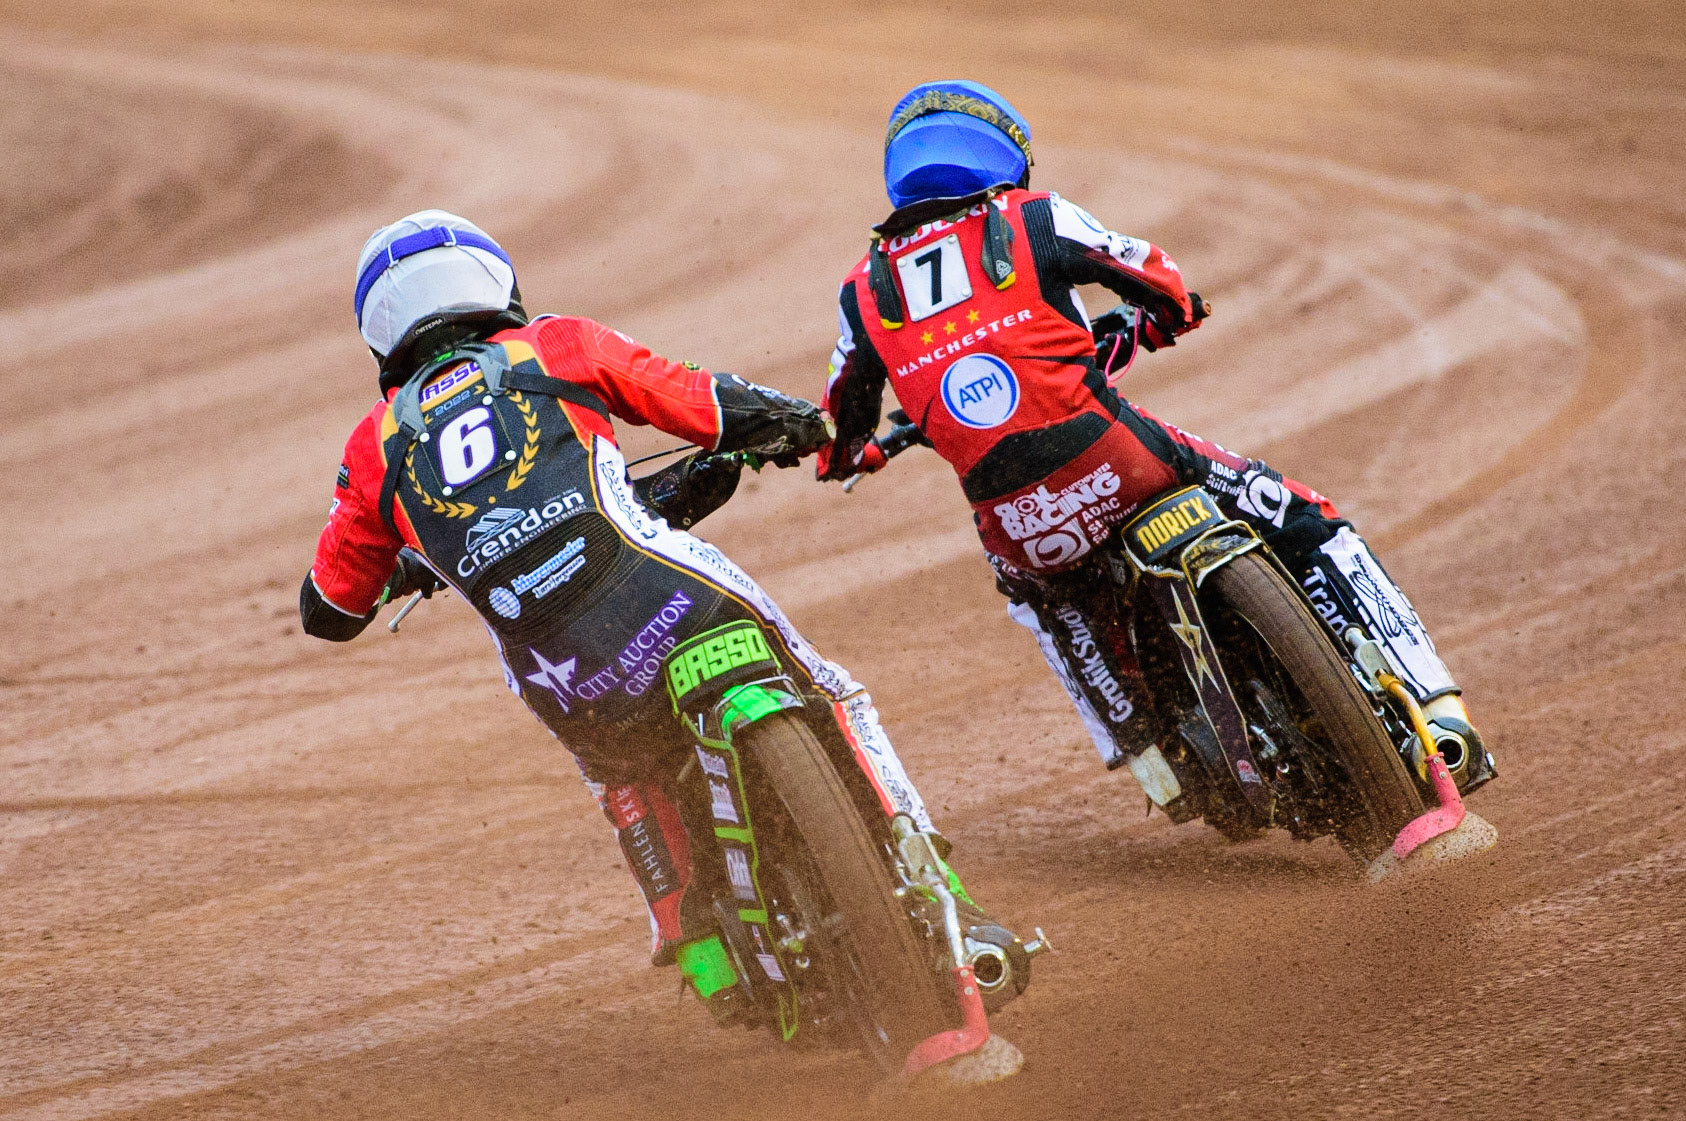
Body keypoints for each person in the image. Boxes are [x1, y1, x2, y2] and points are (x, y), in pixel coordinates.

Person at [301, 209, 1025, 1012]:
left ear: (380, 334)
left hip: (567, 678)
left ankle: (703, 951)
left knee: (623, 775)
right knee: (833, 692)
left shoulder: (373, 448)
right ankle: (945, 897)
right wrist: (793, 423)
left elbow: (328, 610)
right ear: (491, 280)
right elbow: (705, 405)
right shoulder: (552, 344)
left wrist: (411, 557)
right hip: (670, 599)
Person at [814, 81, 1494, 801]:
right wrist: (1171, 317)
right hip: (1120, 460)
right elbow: (1158, 279)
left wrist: (863, 452)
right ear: (1002, 156)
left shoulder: (863, 288)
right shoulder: (1034, 215)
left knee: (1043, 601)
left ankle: (1154, 763)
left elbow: (839, 429)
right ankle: (1439, 710)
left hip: (1016, 519)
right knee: (1305, 519)